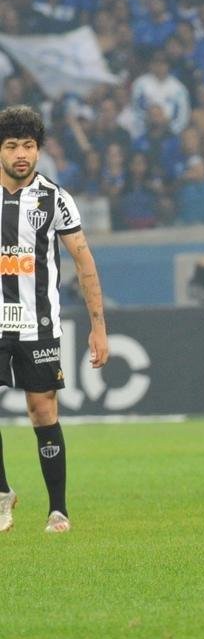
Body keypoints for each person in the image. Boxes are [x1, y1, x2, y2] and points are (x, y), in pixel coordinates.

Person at [0, 105, 109, 535]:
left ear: (39, 150)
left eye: (29, 146)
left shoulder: (55, 198)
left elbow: (83, 260)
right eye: (11, 146)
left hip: (38, 324)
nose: (21, 154)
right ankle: (2, 493)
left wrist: (98, 326)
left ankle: (57, 510)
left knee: (41, 410)